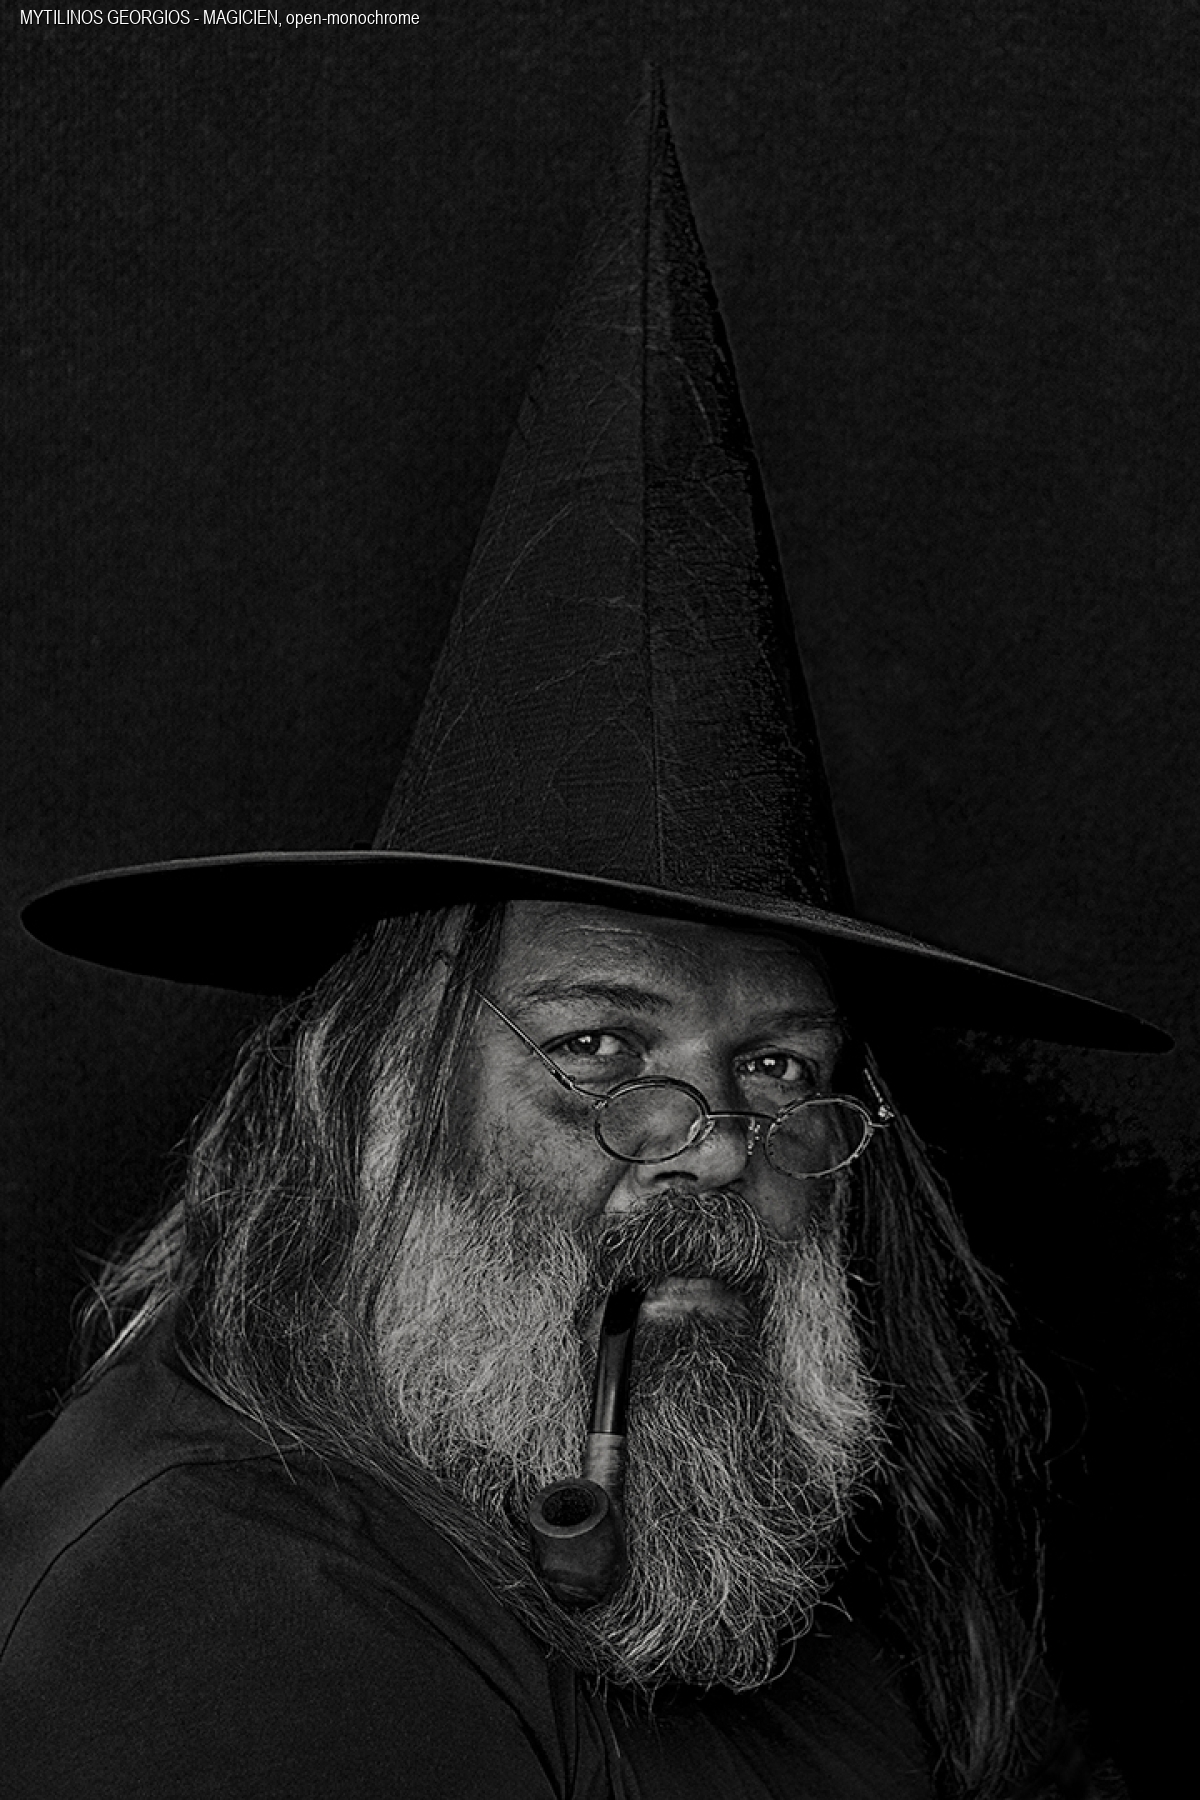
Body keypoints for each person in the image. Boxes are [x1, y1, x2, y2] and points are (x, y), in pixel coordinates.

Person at [0, 86, 1164, 1800]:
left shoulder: (765, 1544)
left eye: (781, 1069)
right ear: (374, 1097)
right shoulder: (215, 1613)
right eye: (601, 1046)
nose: (716, 1148)